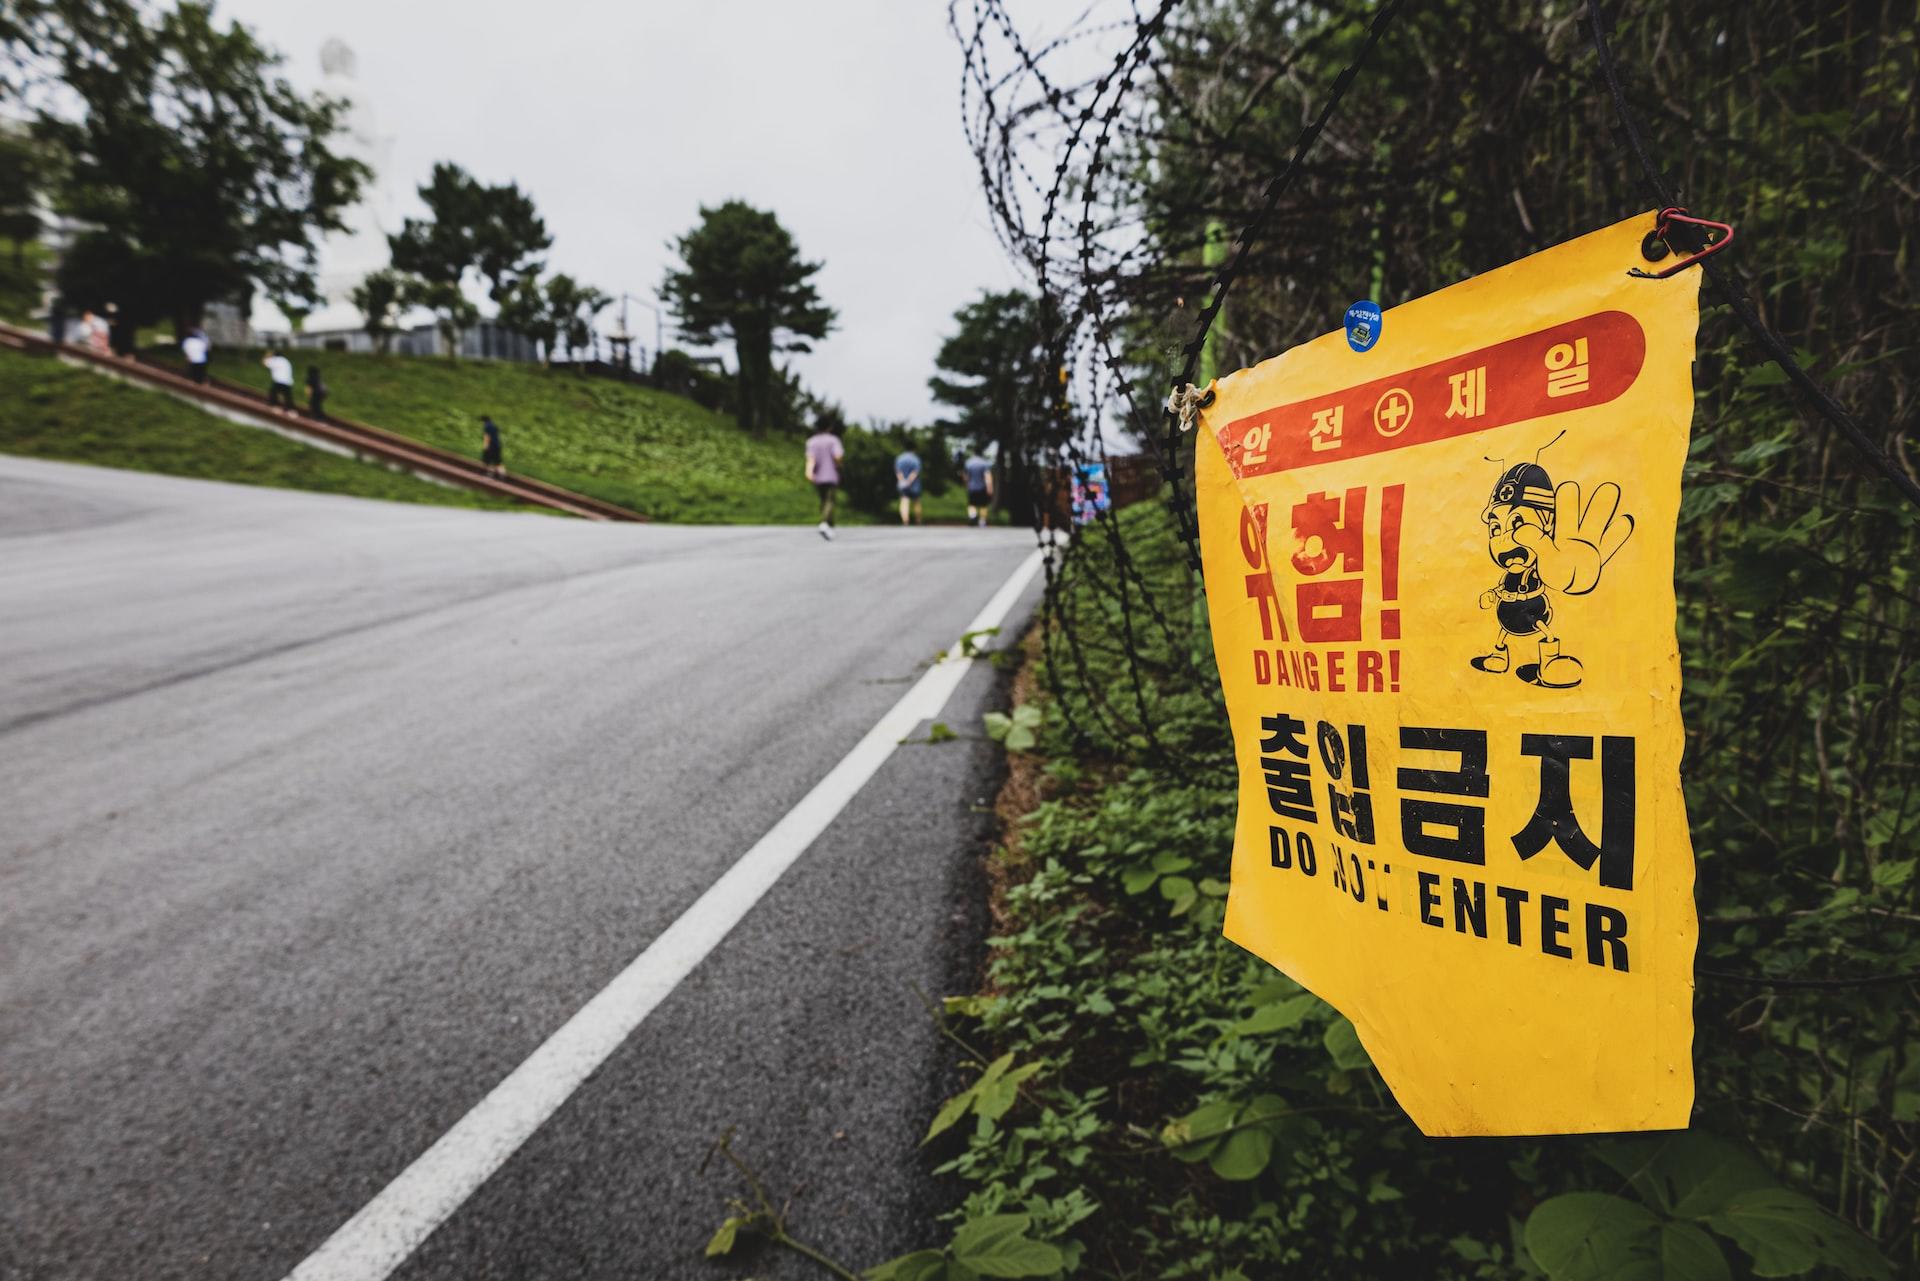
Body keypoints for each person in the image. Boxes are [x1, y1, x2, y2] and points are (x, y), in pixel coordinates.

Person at [803, 418, 844, 540]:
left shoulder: (811, 442)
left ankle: (829, 525)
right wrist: (839, 465)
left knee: (823, 500)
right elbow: (837, 456)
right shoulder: (833, 440)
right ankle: (825, 523)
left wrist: (809, 472)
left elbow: (811, 459)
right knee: (830, 500)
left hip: (818, 476)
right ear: (829, 427)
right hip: (830, 474)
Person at [964, 451, 995, 527]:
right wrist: (990, 487)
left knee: (972, 504)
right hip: (982, 487)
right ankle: (982, 521)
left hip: (972, 487)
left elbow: (967, 477)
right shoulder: (984, 463)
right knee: (983, 505)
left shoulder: (969, 463)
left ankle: (972, 516)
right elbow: (987, 477)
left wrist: (967, 485)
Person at [893, 446, 923, 526]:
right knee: (916, 502)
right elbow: (915, 472)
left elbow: (898, 472)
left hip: (902, 483)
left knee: (904, 501)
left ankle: (905, 520)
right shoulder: (915, 459)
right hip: (914, 484)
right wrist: (909, 481)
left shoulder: (899, 458)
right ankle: (918, 521)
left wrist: (903, 481)